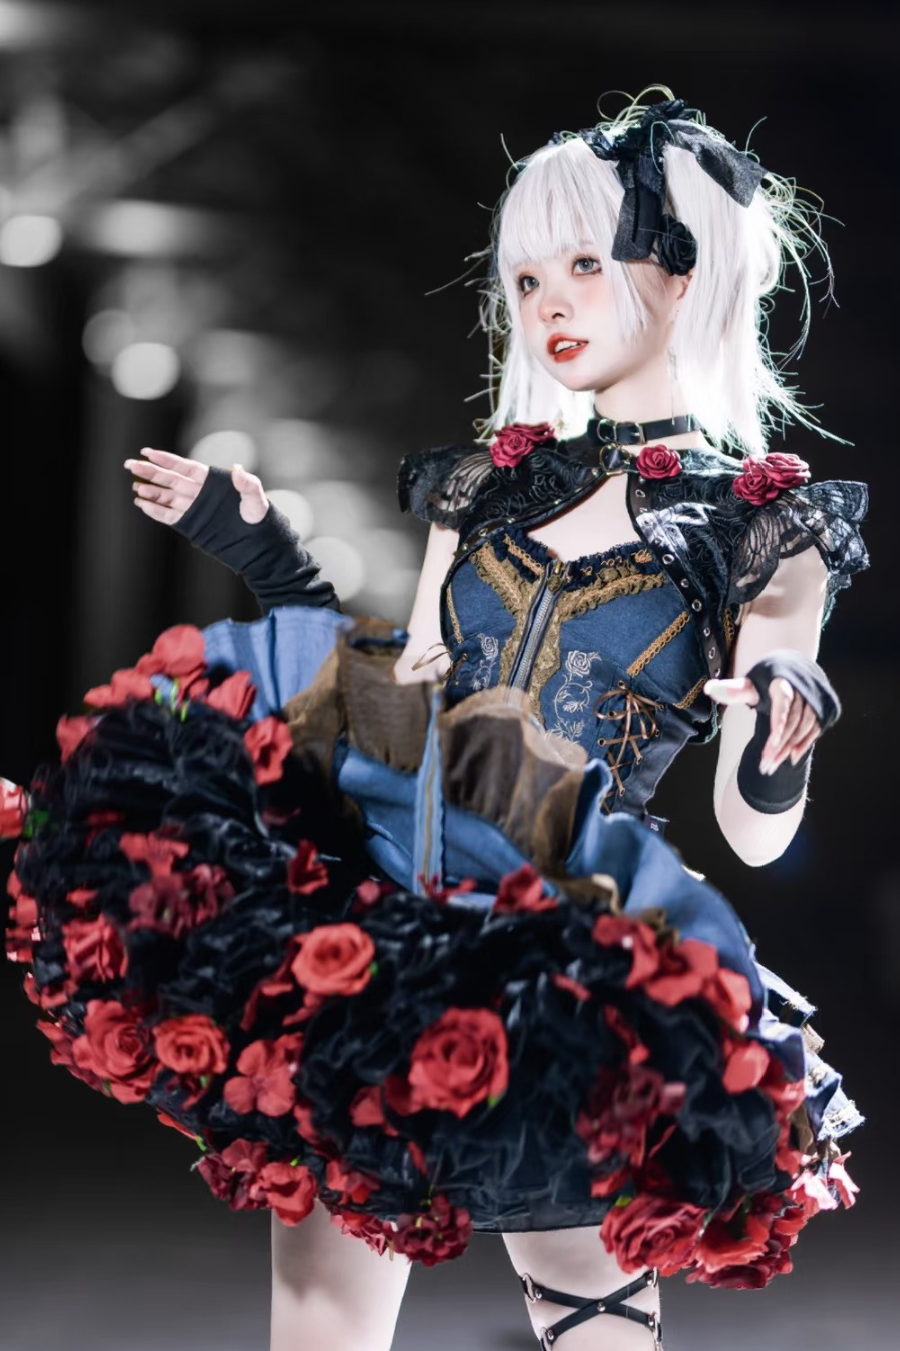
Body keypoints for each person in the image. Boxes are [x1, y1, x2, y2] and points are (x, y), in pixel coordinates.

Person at [3, 90, 869, 1351]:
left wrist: (781, 740)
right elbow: (387, 705)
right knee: (321, 1319)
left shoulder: (764, 528)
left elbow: (754, 829)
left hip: (572, 950)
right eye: (526, 279)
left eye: (585, 265)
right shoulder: (489, 489)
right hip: (384, 918)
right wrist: (274, 561)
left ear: (682, 277)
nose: (549, 303)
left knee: (590, 1319)